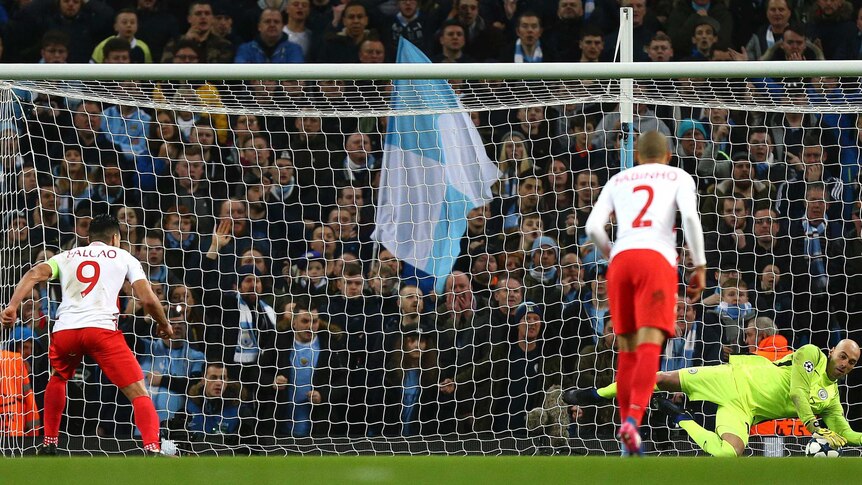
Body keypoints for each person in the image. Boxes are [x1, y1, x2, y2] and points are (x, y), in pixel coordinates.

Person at [569, 130, 707, 455]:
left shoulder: (618, 179)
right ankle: (632, 421)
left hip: (621, 262)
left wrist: (610, 254)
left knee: (626, 350)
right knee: (650, 346)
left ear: (639, 156)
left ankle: (628, 439)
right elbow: (688, 217)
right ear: (668, 156)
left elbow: (591, 228)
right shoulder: (678, 176)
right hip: (655, 260)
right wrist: (699, 264)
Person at [0, 214, 173, 456]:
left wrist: (12, 305)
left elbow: (33, 273)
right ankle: (153, 448)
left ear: (89, 238)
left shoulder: (66, 256)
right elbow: (147, 299)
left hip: (65, 331)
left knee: (58, 378)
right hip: (102, 331)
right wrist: (164, 324)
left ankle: (49, 442)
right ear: (115, 238)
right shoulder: (124, 256)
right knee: (137, 391)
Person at [569, 340, 862, 457]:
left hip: (743, 409)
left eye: (851, 362)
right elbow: (797, 391)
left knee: (727, 454)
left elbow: (847, 433)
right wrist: (812, 424)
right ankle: (595, 394)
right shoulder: (811, 354)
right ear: (832, 351)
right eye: (842, 356)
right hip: (732, 377)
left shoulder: (831, 399)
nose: (844, 363)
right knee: (659, 379)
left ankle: (678, 416)